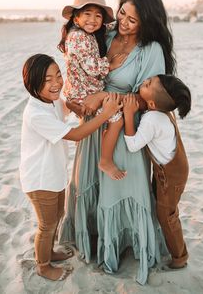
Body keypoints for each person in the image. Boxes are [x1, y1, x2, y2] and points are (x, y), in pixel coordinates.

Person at [59, 0, 177, 285]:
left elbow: (146, 98)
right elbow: (78, 63)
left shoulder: (150, 51)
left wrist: (103, 96)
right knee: (88, 184)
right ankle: (95, 240)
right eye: (122, 13)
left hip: (126, 125)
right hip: (94, 122)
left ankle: (124, 244)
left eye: (133, 20)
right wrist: (78, 99)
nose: (123, 23)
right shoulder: (105, 34)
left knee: (121, 187)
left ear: (147, 23)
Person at [20, 53, 122, 281]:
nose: (56, 83)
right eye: (47, 80)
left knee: (57, 214)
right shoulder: (35, 113)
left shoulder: (51, 100)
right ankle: (43, 266)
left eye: (58, 75)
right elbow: (75, 135)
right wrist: (105, 114)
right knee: (46, 225)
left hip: (53, 174)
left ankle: (51, 252)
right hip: (39, 179)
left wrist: (76, 108)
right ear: (32, 84)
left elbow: (65, 105)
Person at [123, 74, 191, 270]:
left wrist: (128, 114)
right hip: (173, 168)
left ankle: (180, 258)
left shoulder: (153, 118)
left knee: (167, 215)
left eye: (148, 84)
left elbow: (134, 145)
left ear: (151, 103)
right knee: (165, 209)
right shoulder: (163, 110)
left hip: (170, 176)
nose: (144, 81)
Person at [58, 0, 127, 180]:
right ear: (76, 17)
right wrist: (111, 64)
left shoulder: (88, 33)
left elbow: (111, 25)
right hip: (83, 93)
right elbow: (90, 67)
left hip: (83, 89)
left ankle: (97, 144)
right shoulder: (78, 37)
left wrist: (122, 21)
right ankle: (105, 160)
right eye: (87, 14)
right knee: (117, 118)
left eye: (98, 15)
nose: (93, 19)